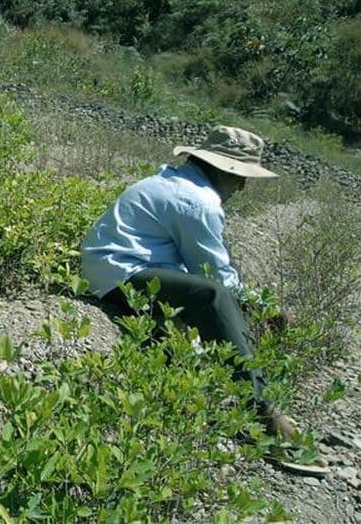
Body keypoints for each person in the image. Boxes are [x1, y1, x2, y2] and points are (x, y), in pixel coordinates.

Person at [80, 125, 295, 440]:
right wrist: (262, 308)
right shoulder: (198, 202)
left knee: (211, 303)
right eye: (240, 177)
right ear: (222, 170)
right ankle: (263, 409)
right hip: (122, 274)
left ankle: (223, 382)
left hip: (114, 269)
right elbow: (215, 276)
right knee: (212, 296)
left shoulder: (173, 181)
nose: (243, 186)